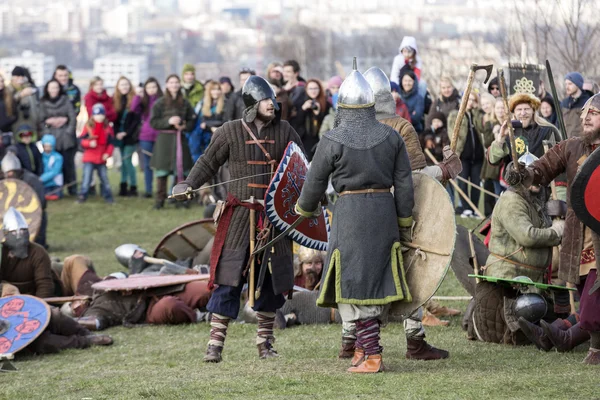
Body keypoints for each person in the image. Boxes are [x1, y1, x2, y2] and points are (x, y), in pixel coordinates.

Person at [171, 75, 303, 363]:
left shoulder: (285, 130)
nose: (272, 104)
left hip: (274, 219)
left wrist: (311, 198)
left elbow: (301, 168)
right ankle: (215, 345)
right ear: (253, 104)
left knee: (271, 280)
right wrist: (188, 183)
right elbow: (207, 161)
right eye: (266, 100)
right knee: (228, 277)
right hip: (240, 216)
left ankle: (265, 343)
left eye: (273, 99)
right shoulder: (230, 131)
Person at [295, 61, 414, 374]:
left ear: (342, 106)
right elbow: (404, 184)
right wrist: (404, 221)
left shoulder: (332, 139)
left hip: (349, 215)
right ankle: (362, 348)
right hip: (384, 214)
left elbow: (314, 182)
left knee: (354, 281)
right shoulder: (391, 137)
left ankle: (372, 355)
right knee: (371, 280)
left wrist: (304, 209)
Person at [363, 66, 458, 361]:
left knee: (359, 274)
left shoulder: (346, 126)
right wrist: (444, 169)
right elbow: (415, 177)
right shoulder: (402, 126)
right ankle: (415, 341)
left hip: (357, 213)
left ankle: (351, 342)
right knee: (409, 270)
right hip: (393, 209)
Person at [504, 92, 600, 364]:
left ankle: (593, 348)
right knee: (586, 300)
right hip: (578, 238)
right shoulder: (571, 147)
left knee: (593, 308)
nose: (585, 117)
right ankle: (558, 336)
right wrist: (523, 172)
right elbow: (542, 168)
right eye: (584, 113)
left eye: (593, 113)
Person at [468, 152, 564, 345]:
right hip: (509, 282)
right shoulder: (512, 201)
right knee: (523, 321)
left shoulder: (533, 199)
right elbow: (526, 236)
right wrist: (556, 232)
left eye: (539, 176)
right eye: (532, 176)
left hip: (530, 283)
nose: (537, 180)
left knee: (556, 317)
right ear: (521, 178)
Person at [58, 254, 212, 330]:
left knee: (206, 290)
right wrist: (68, 321)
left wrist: (116, 278)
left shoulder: (89, 285)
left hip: (159, 288)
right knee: (170, 306)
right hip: (147, 310)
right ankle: (201, 316)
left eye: (74, 302)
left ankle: (226, 303)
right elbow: (95, 323)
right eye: (73, 309)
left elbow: (75, 260)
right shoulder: (96, 312)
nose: (76, 305)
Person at [149, 74, 196, 209]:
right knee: (162, 173)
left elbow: (192, 120)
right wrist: (168, 121)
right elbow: (153, 122)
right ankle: (159, 201)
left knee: (180, 171)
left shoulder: (185, 103)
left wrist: (184, 126)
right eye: (171, 82)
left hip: (179, 139)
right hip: (164, 141)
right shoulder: (160, 103)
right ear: (167, 85)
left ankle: (178, 199)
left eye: (176, 82)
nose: (174, 85)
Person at [0, 207, 58, 298]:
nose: (19, 237)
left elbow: (44, 285)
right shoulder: (1, 252)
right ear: (6, 234)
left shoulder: (38, 251)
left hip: (35, 299)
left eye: (23, 231)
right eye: (14, 233)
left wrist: (39, 306)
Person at [489, 93, 561, 163]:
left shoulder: (548, 130)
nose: (523, 113)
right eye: (519, 109)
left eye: (526, 109)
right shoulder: (509, 133)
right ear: (514, 112)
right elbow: (495, 161)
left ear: (533, 111)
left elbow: (559, 160)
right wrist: (501, 139)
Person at [448, 93, 488, 217]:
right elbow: (453, 132)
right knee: (463, 182)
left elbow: (482, 128)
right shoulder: (456, 114)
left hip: (477, 156)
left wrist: (476, 110)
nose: (470, 102)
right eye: (468, 99)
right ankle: (466, 208)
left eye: (473, 100)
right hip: (463, 155)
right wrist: (456, 151)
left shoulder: (477, 114)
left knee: (476, 183)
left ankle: (474, 208)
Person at [1, 152, 48, 248]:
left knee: (41, 217)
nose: (10, 175)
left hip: (28, 214)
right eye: (7, 173)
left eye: (12, 172)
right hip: (9, 215)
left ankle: (38, 244)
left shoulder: (31, 180)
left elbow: (41, 203)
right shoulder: (3, 181)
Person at [39, 78, 77, 196]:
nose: (54, 90)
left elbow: (72, 117)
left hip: (65, 137)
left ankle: (72, 188)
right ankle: (54, 189)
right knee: (51, 166)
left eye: (56, 87)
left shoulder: (65, 100)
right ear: (47, 89)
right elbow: (40, 121)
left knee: (68, 164)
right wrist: (48, 130)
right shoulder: (43, 103)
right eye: (51, 87)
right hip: (50, 138)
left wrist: (68, 131)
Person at [131, 77, 163, 198]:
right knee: (147, 165)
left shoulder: (162, 100)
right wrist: (138, 96)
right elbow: (134, 109)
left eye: (153, 87)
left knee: (161, 165)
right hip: (145, 136)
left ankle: (161, 190)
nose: (151, 90)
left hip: (160, 135)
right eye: (149, 87)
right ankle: (148, 190)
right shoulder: (143, 101)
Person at [78, 103, 114, 204]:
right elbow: (81, 141)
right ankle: (83, 195)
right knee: (86, 178)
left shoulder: (107, 128)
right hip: (89, 158)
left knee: (104, 178)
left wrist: (108, 153)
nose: (99, 117)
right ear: (93, 115)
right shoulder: (88, 127)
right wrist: (89, 143)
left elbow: (111, 143)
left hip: (101, 158)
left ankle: (108, 196)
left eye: (101, 114)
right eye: (97, 115)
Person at [112, 76, 138, 197]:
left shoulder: (134, 100)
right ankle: (123, 186)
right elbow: (114, 120)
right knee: (122, 162)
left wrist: (126, 133)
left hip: (130, 136)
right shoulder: (115, 101)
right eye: (122, 85)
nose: (124, 87)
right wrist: (117, 132)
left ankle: (133, 186)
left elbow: (135, 120)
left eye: (126, 84)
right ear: (118, 87)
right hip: (119, 136)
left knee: (127, 161)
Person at [189, 80, 225, 162]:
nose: (216, 92)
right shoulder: (202, 104)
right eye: (213, 89)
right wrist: (209, 126)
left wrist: (208, 125)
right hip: (203, 136)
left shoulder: (225, 104)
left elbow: (225, 120)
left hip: (218, 135)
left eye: (218, 89)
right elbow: (198, 120)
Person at [299, 79, 330, 160]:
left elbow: (327, 124)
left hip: (320, 140)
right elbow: (296, 123)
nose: (313, 91)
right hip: (305, 140)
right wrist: (303, 109)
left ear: (320, 89)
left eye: (315, 88)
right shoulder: (301, 102)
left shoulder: (326, 104)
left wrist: (318, 114)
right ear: (306, 90)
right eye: (310, 89)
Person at [7, 67, 40, 136]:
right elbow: (8, 105)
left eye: (22, 76)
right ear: (13, 78)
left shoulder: (29, 88)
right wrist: (20, 95)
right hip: (16, 125)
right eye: (18, 76)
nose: (20, 79)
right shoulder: (8, 90)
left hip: (31, 123)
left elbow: (36, 107)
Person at [561, 72, 591, 138]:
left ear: (578, 84)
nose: (567, 87)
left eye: (570, 84)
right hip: (566, 142)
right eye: (566, 84)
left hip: (582, 143)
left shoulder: (588, 102)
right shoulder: (564, 103)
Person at [283, 60, 308, 136]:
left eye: (288, 72)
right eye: (284, 71)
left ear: (296, 73)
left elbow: (290, 106)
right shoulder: (284, 87)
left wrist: (284, 92)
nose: (285, 74)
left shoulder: (301, 89)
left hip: (297, 130)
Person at [40, 134, 63, 200]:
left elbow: (55, 171)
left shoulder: (58, 157)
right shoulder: (40, 156)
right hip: (45, 183)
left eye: (49, 146)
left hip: (55, 182)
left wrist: (42, 178)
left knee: (57, 195)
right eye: (45, 146)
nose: (47, 148)